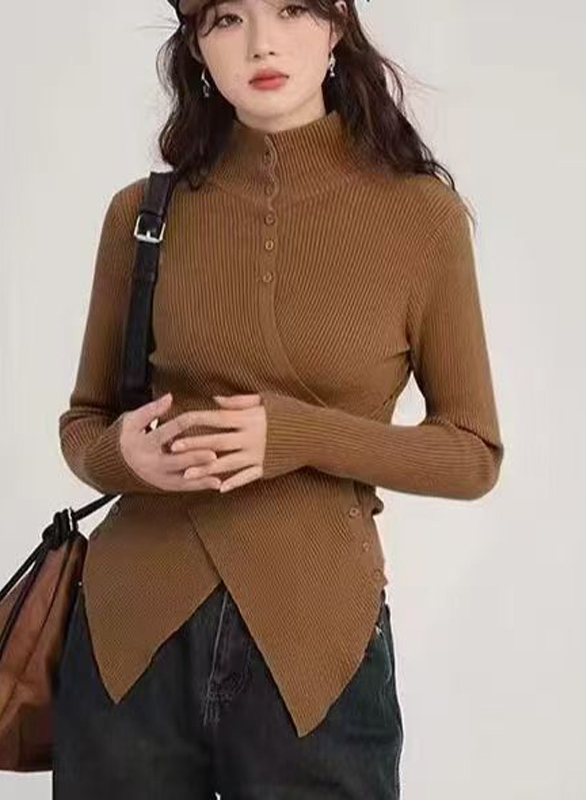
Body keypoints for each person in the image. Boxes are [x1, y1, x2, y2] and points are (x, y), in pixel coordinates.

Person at [52, 1, 505, 797]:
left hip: (315, 640)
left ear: (336, 26)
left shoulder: (421, 217)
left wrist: (297, 435)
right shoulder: (143, 214)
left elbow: (473, 454)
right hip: (130, 638)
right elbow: (83, 423)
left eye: (292, 9)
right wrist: (120, 454)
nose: (262, 43)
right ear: (197, 46)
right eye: (227, 19)